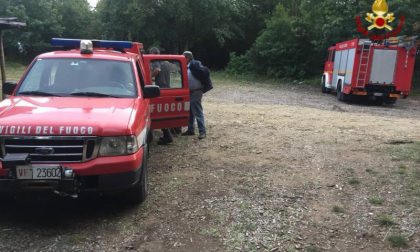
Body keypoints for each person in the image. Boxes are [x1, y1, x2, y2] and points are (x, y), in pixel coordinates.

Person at [149, 47, 173, 145]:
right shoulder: (166, 62)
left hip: (160, 89)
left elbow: (157, 70)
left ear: (154, 53)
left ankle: (167, 136)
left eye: (150, 54)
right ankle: (176, 129)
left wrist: (148, 76)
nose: (150, 56)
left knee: (157, 113)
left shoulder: (156, 61)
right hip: (167, 88)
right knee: (165, 112)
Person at [182, 51, 206, 139]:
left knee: (197, 110)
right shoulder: (188, 66)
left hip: (196, 91)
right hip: (190, 91)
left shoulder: (194, 65)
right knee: (190, 111)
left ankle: (202, 132)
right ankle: (190, 130)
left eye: (183, 57)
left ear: (187, 58)